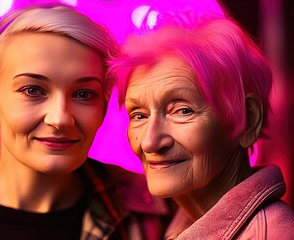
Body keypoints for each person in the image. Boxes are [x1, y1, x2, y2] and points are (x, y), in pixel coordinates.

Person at [0, 3, 174, 239]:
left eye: (83, 94)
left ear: (103, 105)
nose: (60, 118)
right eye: (33, 91)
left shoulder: (158, 213)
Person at [110, 12, 294, 239]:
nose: (150, 142)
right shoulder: (174, 223)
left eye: (182, 110)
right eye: (139, 115)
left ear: (249, 119)